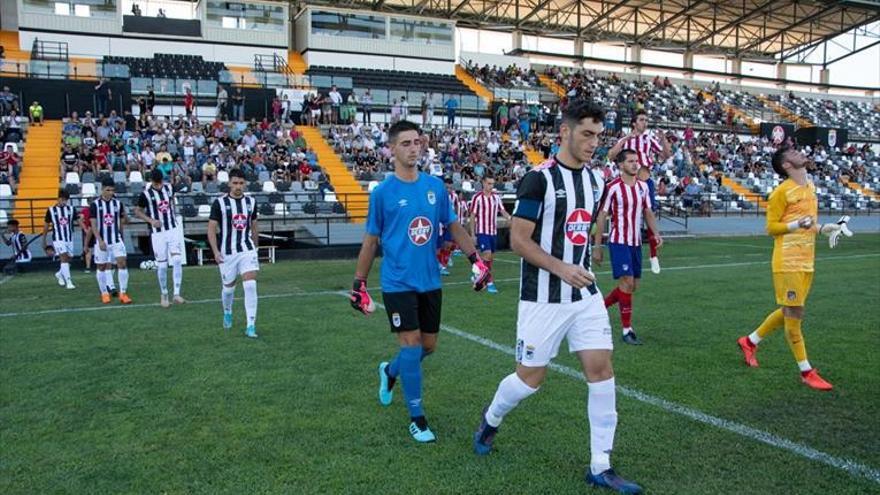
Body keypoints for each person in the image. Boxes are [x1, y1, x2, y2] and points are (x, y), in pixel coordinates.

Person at [472, 100, 643, 494]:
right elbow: (518, 240)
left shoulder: (597, 181)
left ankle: (600, 466)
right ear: (564, 132)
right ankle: (492, 417)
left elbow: (581, 231)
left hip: (584, 294)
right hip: (542, 297)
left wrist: (581, 262)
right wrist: (561, 267)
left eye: (598, 137)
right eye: (586, 134)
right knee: (530, 379)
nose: (593, 143)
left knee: (601, 371)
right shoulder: (538, 179)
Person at [349, 120, 489, 443]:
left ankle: (389, 372)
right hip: (397, 282)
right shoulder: (382, 193)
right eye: (406, 143)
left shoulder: (435, 187)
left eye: (417, 142)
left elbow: (453, 227)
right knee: (410, 345)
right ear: (392, 149)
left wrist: (476, 260)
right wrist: (359, 283)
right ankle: (417, 418)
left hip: (430, 280)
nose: (414, 148)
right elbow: (371, 242)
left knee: (428, 346)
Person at [736, 147, 853, 391]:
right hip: (787, 261)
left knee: (791, 309)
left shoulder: (809, 187)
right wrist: (795, 224)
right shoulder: (781, 192)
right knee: (794, 315)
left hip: (807, 260)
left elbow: (809, 224)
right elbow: (771, 228)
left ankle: (749, 341)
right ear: (786, 165)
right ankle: (806, 371)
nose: (800, 153)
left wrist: (824, 228)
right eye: (794, 153)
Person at [592, 149, 663, 346]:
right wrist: (597, 246)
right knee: (627, 282)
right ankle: (626, 330)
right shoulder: (613, 186)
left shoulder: (643, 187)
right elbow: (601, 215)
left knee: (632, 286)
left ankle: (599, 307)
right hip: (619, 241)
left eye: (636, 161)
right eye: (630, 161)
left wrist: (656, 233)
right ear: (621, 165)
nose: (635, 164)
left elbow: (648, 211)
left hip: (636, 242)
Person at [607, 110, 669, 274]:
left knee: (649, 215)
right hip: (629, 184)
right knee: (626, 217)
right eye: (642, 119)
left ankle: (653, 255)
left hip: (645, 181)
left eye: (646, 120)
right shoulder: (626, 140)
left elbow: (666, 154)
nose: (645, 123)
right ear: (634, 123)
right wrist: (623, 141)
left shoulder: (649, 139)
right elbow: (611, 155)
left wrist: (663, 139)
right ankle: (620, 244)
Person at [207, 168, 260, 339]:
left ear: (245, 184)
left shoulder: (251, 202)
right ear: (229, 183)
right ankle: (227, 312)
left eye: (241, 183)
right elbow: (211, 229)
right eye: (235, 183)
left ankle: (250, 325)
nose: (238, 186)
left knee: (250, 285)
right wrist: (215, 252)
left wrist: (256, 248)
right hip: (227, 252)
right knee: (228, 289)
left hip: (246, 249)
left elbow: (254, 226)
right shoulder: (219, 203)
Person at [135, 169, 186, 308]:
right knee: (162, 265)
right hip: (157, 233)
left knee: (176, 260)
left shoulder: (169, 188)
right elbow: (137, 211)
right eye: (156, 183)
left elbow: (183, 185)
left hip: (172, 229)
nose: (158, 186)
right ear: (151, 181)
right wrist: (151, 220)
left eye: (160, 183)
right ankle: (164, 294)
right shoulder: (145, 194)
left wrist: (181, 176)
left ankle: (176, 293)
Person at [90, 179, 132, 304]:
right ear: (102, 189)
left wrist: (126, 217)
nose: (110, 192)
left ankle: (123, 293)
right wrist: (100, 240)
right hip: (102, 241)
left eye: (112, 190)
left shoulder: (118, 204)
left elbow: (123, 222)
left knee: (122, 263)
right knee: (101, 267)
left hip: (116, 239)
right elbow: (93, 225)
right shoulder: (95, 205)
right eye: (108, 190)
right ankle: (104, 293)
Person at [469, 173, 511, 294]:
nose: (491, 186)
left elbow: (502, 210)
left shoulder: (496, 197)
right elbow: (472, 216)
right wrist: (473, 234)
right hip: (482, 231)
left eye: (492, 184)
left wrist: (509, 218)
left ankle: (478, 272)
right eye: (488, 183)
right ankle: (490, 282)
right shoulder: (477, 197)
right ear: (483, 183)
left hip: (493, 231)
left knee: (490, 258)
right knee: (487, 255)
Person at [42, 189, 78, 289]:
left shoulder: (71, 209)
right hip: (58, 238)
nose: (64, 202)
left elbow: (78, 220)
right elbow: (46, 226)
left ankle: (59, 274)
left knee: (69, 258)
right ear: (58, 198)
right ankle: (69, 282)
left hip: (69, 237)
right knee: (63, 257)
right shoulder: (50, 210)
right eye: (62, 199)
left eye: (65, 200)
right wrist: (44, 240)